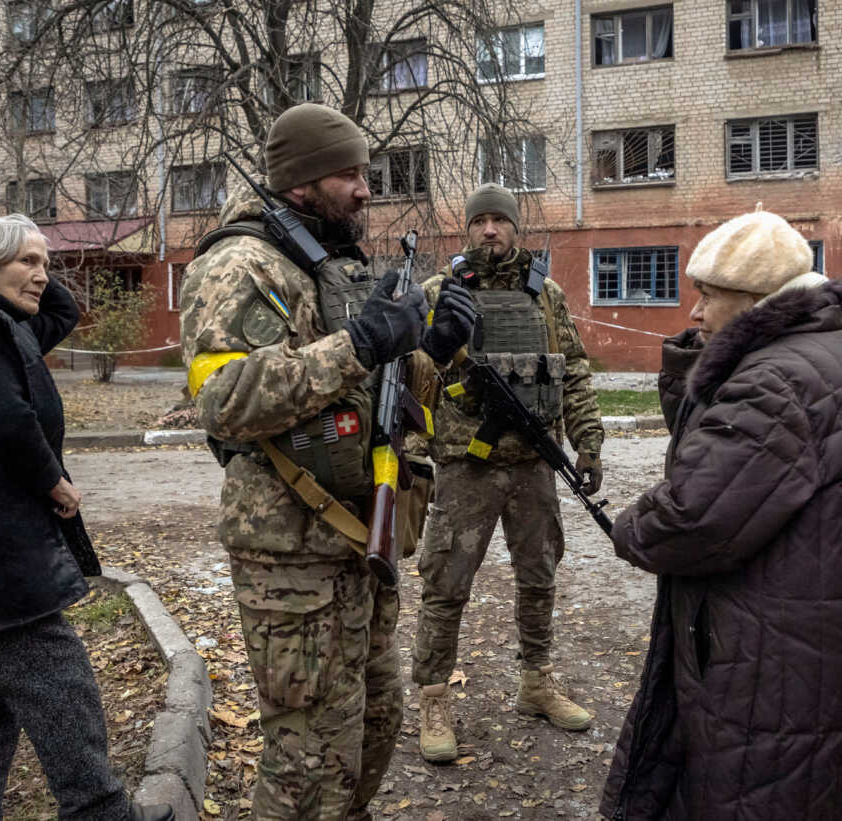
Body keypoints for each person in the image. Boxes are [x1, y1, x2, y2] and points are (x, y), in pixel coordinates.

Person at [179, 103, 473, 819]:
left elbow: (375, 395)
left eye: (365, 172)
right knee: (308, 758)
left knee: (372, 729)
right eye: (350, 173)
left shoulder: (325, 261)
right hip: (290, 558)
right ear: (303, 182)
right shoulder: (238, 263)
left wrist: (428, 351)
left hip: (355, 543)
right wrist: (359, 345)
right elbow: (224, 400)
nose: (365, 189)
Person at [0, 215, 173, 821]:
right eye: (26, 262)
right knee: (62, 687)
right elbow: (9, 421)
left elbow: (59, 316)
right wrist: (55, 483)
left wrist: (30, 250)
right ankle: (99, 812)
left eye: (45, 263)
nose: (42, 275)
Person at [600, 208, 842, 820]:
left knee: (756, 794)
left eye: (708, 296)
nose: (695, 313)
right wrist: (697, 367)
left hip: (771, 654)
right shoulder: (815, 351)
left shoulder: (776, 381)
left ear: (758, 302)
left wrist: (629, 527)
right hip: (800, 636)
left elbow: (694, 515)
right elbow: (727, 458)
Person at [411, 182, 605, 763]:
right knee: (445, 584)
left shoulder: (544, 295)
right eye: (480, 222)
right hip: (466, 464)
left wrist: (588, 442)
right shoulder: (438, 293)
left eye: (500, 220)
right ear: (466, 230)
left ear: (516, 228)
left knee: (540, 576)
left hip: (533, 463)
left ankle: (535, 682)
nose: (489, 230)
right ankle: (432, 698)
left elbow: (572, 370)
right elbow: (411, 377)